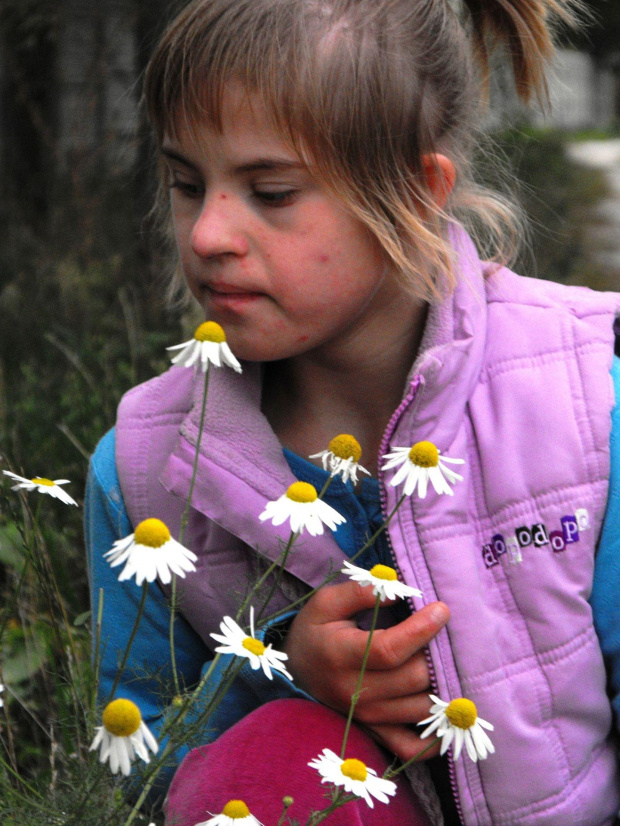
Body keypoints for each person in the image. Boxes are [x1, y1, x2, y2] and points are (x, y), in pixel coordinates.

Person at [85, 0, 620, 824]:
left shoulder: (584, 404)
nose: (206, 234)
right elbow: (144, 764)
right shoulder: (144, 473)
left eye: (270, 191)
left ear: (416, 190)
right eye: (188, 184)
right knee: (274, 759)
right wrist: (290, 676)